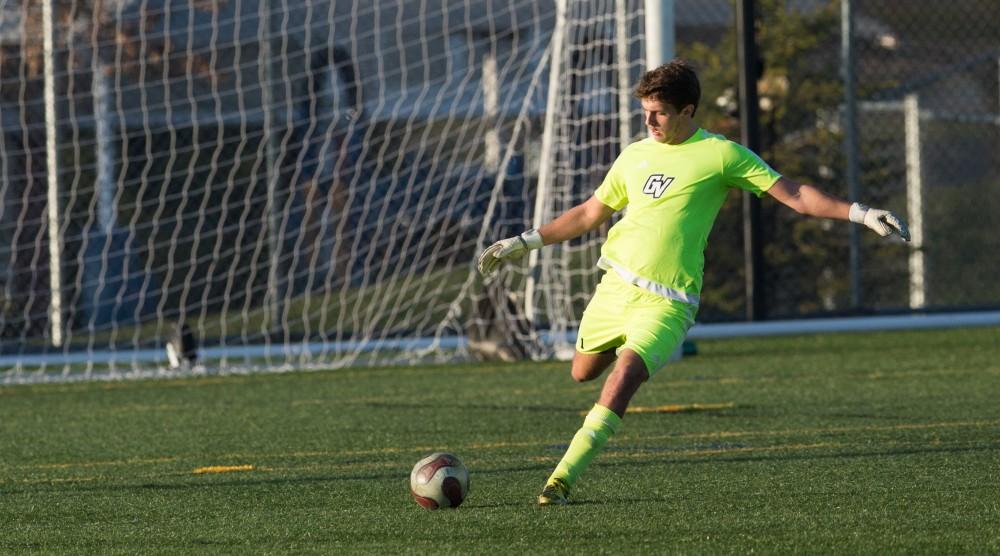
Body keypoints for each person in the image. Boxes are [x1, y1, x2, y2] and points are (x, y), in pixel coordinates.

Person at [476, 59, 909, 506]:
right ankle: (607, 361)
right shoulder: (635, 154)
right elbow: (589, 213)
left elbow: (795, 195)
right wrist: (525, 242)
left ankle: (561, 480)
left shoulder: (722, 154)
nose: (648, 121)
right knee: (581, 372)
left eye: (658, 112)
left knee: (625, 375)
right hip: (615, 288)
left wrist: (860, 212)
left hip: (668, 302)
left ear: (687, 110)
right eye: (644, 110)